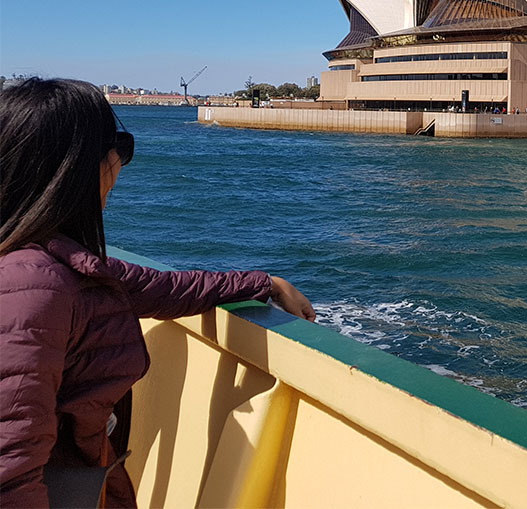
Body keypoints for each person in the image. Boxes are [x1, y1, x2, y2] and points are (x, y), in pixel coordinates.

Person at [0, 78, 315, 507]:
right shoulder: (37, 288)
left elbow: (160, 288)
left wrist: (266, 283)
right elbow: (10, 472)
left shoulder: (54, 262)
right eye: (118, 147)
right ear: (69, 167)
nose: (119, 163)